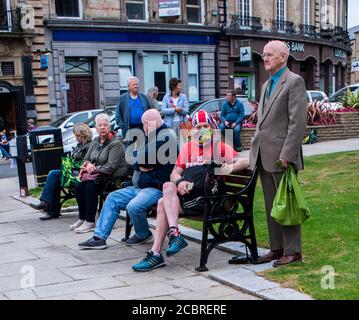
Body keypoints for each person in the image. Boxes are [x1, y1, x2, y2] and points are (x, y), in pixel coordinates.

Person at [132, 110, 250, 271]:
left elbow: (245, 161)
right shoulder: (188, 148)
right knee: (166, 190)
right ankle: (163, 245)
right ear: (193, 130)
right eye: (198, 126)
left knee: (162, 203)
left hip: (207, 200)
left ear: (212, 128)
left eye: (205, 126)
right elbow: (174, 173)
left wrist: (230, 167)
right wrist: (179, 181)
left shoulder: (219, 147)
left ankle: (159, 250)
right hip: (188, 198)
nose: (202, 129)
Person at [78, 109, 177, 249]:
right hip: (139, 186)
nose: (143, 128)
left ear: (148, 124)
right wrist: (140, 163)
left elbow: (143, 160)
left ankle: (143, 234)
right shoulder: (151, 137)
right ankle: (99, 237)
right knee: (112, 198)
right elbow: (133, 160)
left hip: (156, 188)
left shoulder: (165, 137)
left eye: (143, 125)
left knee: (134, 206)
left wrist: (141, 161)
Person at [248, 40, 307, 267]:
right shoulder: (266, 85)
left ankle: (293, 251)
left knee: (287, 203)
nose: (265, 58)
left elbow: (298, 122)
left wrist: (287, 154)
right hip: (264, 155)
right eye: (263, 55)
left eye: (269, 55)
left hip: (282, 156)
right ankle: (277, 247)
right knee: (273, 204)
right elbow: (262, 123)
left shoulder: (294, 82)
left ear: (283, 56)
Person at [74, 113, 131, 233]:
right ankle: (83, 217)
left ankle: (90, 221)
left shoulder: (116, 143)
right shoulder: (95, 141)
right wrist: (88, 165)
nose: (102, 127)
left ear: (110, 127)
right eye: (99, 125)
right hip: (98, 175)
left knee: (90, 185)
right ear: (95, 128)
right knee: (79, 185)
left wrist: (93, 168)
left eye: (105, 125)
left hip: (113, 178)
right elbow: (87, 158)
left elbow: (111, 167)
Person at [30, 123, 93, 220]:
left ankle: (46, 204)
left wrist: (72, 165)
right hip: (73, 172)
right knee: (54, 178)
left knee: (53, 174)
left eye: (78, 136)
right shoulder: (79, 145)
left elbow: (86, 162)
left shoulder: (89, 146)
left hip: (79, 174)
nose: (76, 138)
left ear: (84, 134)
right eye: (76, 135)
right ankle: (51, 210)